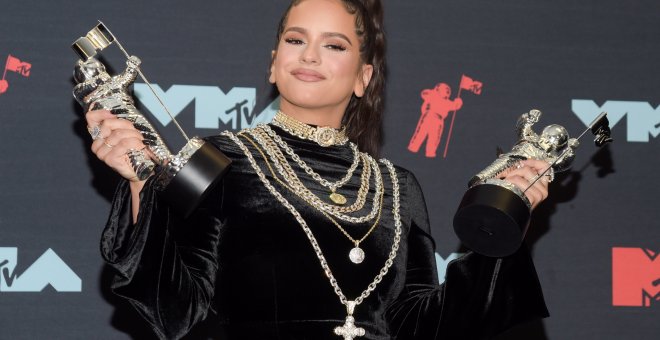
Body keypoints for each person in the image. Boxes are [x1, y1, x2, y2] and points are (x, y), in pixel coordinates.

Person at [84, 0, 550, 339]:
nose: (309, 55)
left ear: (364, 77)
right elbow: (173, 309)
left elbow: (423, 326)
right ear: (273, 65)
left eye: (333, 45)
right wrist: (141, 179)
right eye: (295, 40)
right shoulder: (217, 160)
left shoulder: (396, 186)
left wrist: (500, 220)